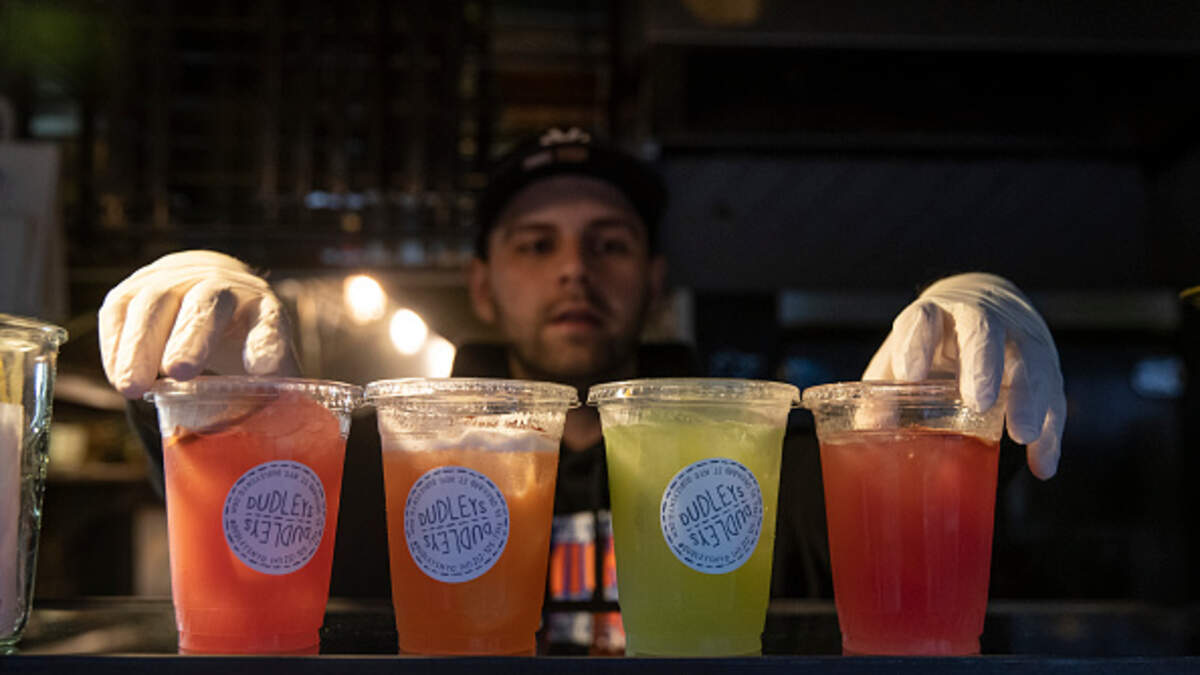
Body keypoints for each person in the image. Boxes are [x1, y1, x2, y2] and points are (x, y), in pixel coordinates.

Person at [98, 127, 1067, 653]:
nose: (574, 270)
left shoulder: (779, 454)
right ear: (483, 285)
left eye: (610, 244)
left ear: (655, 282)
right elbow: (237, 490)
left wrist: (949, 395)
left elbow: (920, 508)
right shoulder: (379, 458)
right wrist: (206, 375)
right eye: (536, 245)